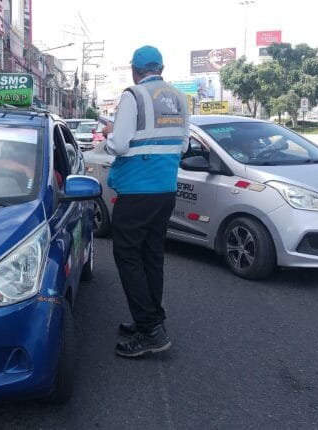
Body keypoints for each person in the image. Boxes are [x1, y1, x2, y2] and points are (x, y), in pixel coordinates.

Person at [101, 45, 189, 358]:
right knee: (152, 256)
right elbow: (184, 145)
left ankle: (151, 329)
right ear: (161, 68)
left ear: (135, 71)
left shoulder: (133, 96)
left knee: (127, 257)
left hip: (136, 192)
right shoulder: (179, 98)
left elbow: (120, 145)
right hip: (165, 190)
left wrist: (109, 135)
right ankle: (150, 318)